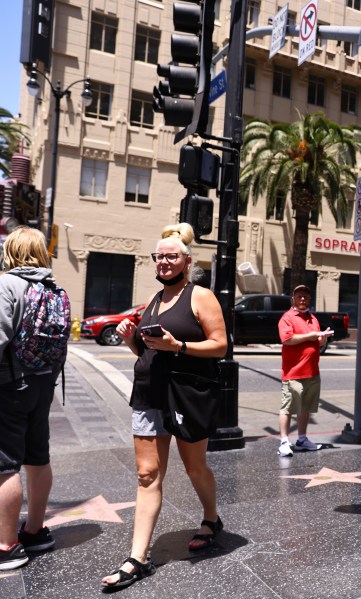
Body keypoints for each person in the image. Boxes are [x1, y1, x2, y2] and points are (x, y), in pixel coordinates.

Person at [101, 223, 227, 590]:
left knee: (194, 466)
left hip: (186, 395)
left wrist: (181, 347)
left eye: (172, 256)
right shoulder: (154, 301)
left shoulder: (200, 296)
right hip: (149, 394)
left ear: (187, 262)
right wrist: (130, 341)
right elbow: (150, 351)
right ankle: (138, 557)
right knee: (147, 474)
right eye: (159, 257)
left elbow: (220, 345)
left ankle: (211, 518)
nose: (164, 262)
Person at [0, 227, 65, 570]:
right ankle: (36, 532)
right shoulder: (55, 288)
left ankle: (6, 546)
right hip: (43, 384)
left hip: (10, 384)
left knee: (5, 464)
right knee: (38, 457)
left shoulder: (6, 285)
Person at [277, 284, 332, 457]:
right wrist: (312, 336)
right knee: (288, 408)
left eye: (306, 297)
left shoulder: (313, 318)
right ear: (293, 299)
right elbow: (287, 339)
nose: (303, 299)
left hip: (312, 372)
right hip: (293, 373)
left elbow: (317, 342)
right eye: (299, 296)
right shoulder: (287, 318)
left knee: (305, 408)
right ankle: (284, 442)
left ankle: (302, 439)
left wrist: (322, 339)